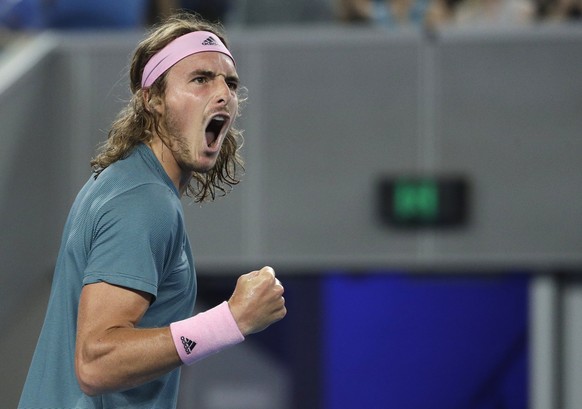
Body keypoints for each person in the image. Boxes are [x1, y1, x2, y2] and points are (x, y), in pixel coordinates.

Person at [18, 12, 286, 409]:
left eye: (229, 82)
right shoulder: (143, 201)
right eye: (200, 79)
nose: (223, 93)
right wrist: (231, 320)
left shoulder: (126, 182)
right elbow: (97, 362)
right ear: (153, 99)